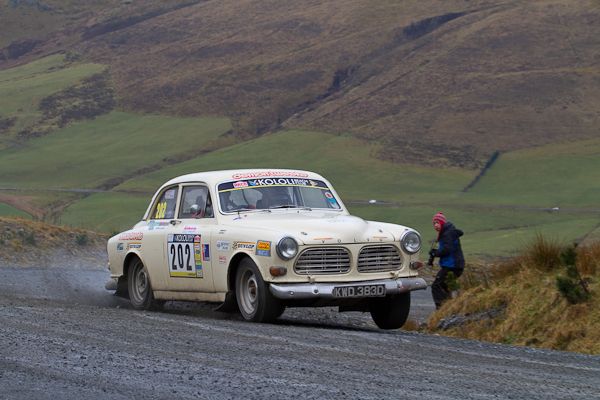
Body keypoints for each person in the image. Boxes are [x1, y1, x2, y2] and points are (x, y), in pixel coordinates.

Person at [428, 212, 465, 309]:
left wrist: (434, 253)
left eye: (437, 222)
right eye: (434, 223)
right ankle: (450, 308)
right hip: (456, 266)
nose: (435, 225)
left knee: (436, 286)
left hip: (451, 266)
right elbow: (446, 248)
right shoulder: (448, 232)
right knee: (447, 287)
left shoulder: (447, 234)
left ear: (442, 223)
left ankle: (440, 309)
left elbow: (447, 250)